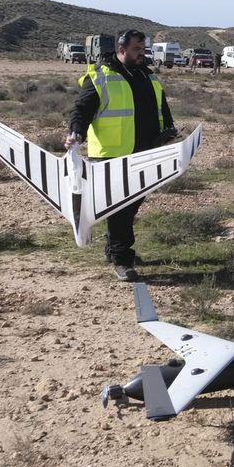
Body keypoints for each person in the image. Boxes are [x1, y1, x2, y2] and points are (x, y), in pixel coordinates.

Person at [65, 28, 176, 282]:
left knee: (131, 205)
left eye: (143, 49)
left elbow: (161, 106)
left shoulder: (147, 76)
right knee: (120, 208)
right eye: (136, 49)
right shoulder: (101, 77)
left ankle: (114, 248)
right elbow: (81, 109)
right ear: (121, 50)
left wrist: (169, 130)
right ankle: (121, 259)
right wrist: (76, 133)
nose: (142, 54)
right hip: (112, 154)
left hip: (144, 152)